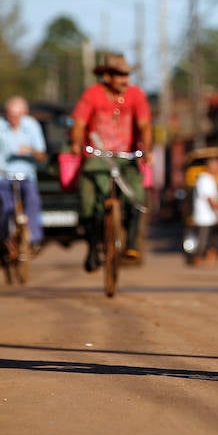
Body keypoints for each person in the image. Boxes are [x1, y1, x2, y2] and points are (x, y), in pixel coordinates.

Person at [69, 52, 152, 272]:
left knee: (137, 196)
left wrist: (147, 148)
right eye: (120, 75)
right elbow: (78, 124)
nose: (125, 80)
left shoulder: (136, 95)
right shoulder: (92, 94)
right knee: (89, 202)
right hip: (97, 158)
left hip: (126, 158)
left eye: (127, 75)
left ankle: (131, 243)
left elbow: (144, 125)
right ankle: (92, 246)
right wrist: (76, 143)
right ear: (107, 76)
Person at [0, 96, 47, 258]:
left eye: (18, 116)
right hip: (1, 175)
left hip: (26, 176)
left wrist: (31, 150)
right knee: (7, 206)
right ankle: (5, 239)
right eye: (10, 115)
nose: (13, 119)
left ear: (25, 114)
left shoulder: (32, 125)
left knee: (33, 199)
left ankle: (32, 238)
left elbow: (42, 155)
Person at [190, 156, 218, 267]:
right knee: (203, 241)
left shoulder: (211, 179)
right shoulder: (204, 179)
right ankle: (197, 260)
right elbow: (210, 200)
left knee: (213, 240)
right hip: (204, 217)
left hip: (212, 217)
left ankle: (209, 260)